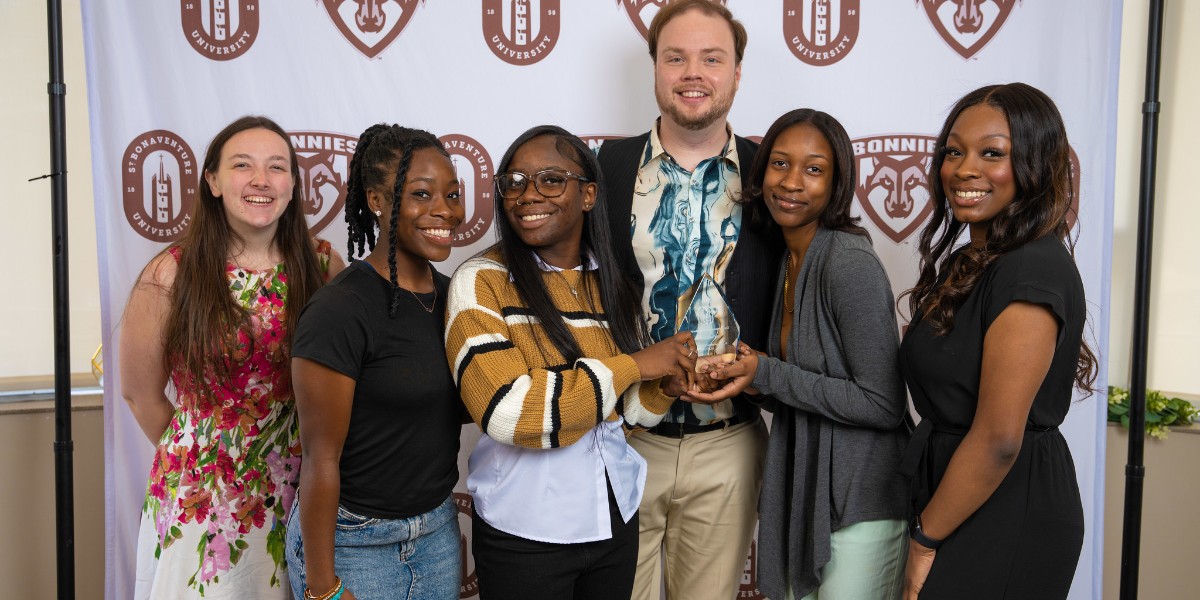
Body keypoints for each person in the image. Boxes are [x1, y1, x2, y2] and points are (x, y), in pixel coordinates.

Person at [445, 125, 697, 600]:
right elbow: (508, 412)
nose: (527, 194)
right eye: (514, 182)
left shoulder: (611, 284)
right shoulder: (481, 282)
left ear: (588, 194)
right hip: (527, 532)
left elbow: (615, 419)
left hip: (612, 518)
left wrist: (661, 391)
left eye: (550, 180)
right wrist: (634, 365)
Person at [595, 2, 778, 598]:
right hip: (622, 439)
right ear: (654, 67)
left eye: (711, 58)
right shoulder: (605, 168)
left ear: (737, 72)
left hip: (730, 444)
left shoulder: (772, 173)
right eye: (675, 57)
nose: (692, 72)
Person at [120, 115, 344, 598]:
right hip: (199, 499)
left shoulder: (326, 267)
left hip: (302, 490)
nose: (261, 180)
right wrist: (211, 457)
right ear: (214, 181)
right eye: (243, 165)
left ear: (291, 186)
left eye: (276, 167)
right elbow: (140, 395)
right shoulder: (170, 274)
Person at [897, 83, 1098, 599]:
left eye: (993, 153)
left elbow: (998, 440)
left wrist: (924, 541)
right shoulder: (979, 261)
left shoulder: (1033, 267)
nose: (965, 169)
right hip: (958, 497)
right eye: (954, 151)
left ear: (1034, 163)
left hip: (1007, 510)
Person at [703, 109, 910, 599]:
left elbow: (883, 403)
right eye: (779, 164)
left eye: (814, 169)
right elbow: (809, 386)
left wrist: (769, 373)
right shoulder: (791, 257)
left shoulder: (847, 262)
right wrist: (750, 378)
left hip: (860, 500)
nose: (792, 182)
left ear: (837, 184)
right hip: (809, 489)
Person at [284, 125, 466, 600]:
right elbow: (320, 459)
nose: (444, 210)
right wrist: (323, 586)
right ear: (378, 200)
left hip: (436, 533)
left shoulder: (459, 299)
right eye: (421, 194)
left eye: (452, 193)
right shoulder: (340, 310)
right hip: (353, 542)